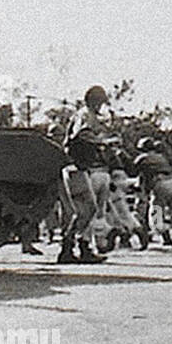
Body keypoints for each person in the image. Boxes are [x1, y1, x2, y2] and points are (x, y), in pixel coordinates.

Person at [58, 84, 115, 264]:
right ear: (93, 101)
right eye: (99, 102)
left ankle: (76, 247)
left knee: (84, 210)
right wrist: (102, 142)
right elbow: (81, 135)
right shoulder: (85, 114)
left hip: (78, 167)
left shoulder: (87, 115)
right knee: (88, 208)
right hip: (74, 166)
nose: (101, 106)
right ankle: (73, 247)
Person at [134, 136, 172, 246]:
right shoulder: (161, 157)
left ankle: (152, 234)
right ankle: (167, 238)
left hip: (160, 184)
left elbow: (133, 169)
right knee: (169, 214)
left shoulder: (143, 157)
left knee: (156, 215)